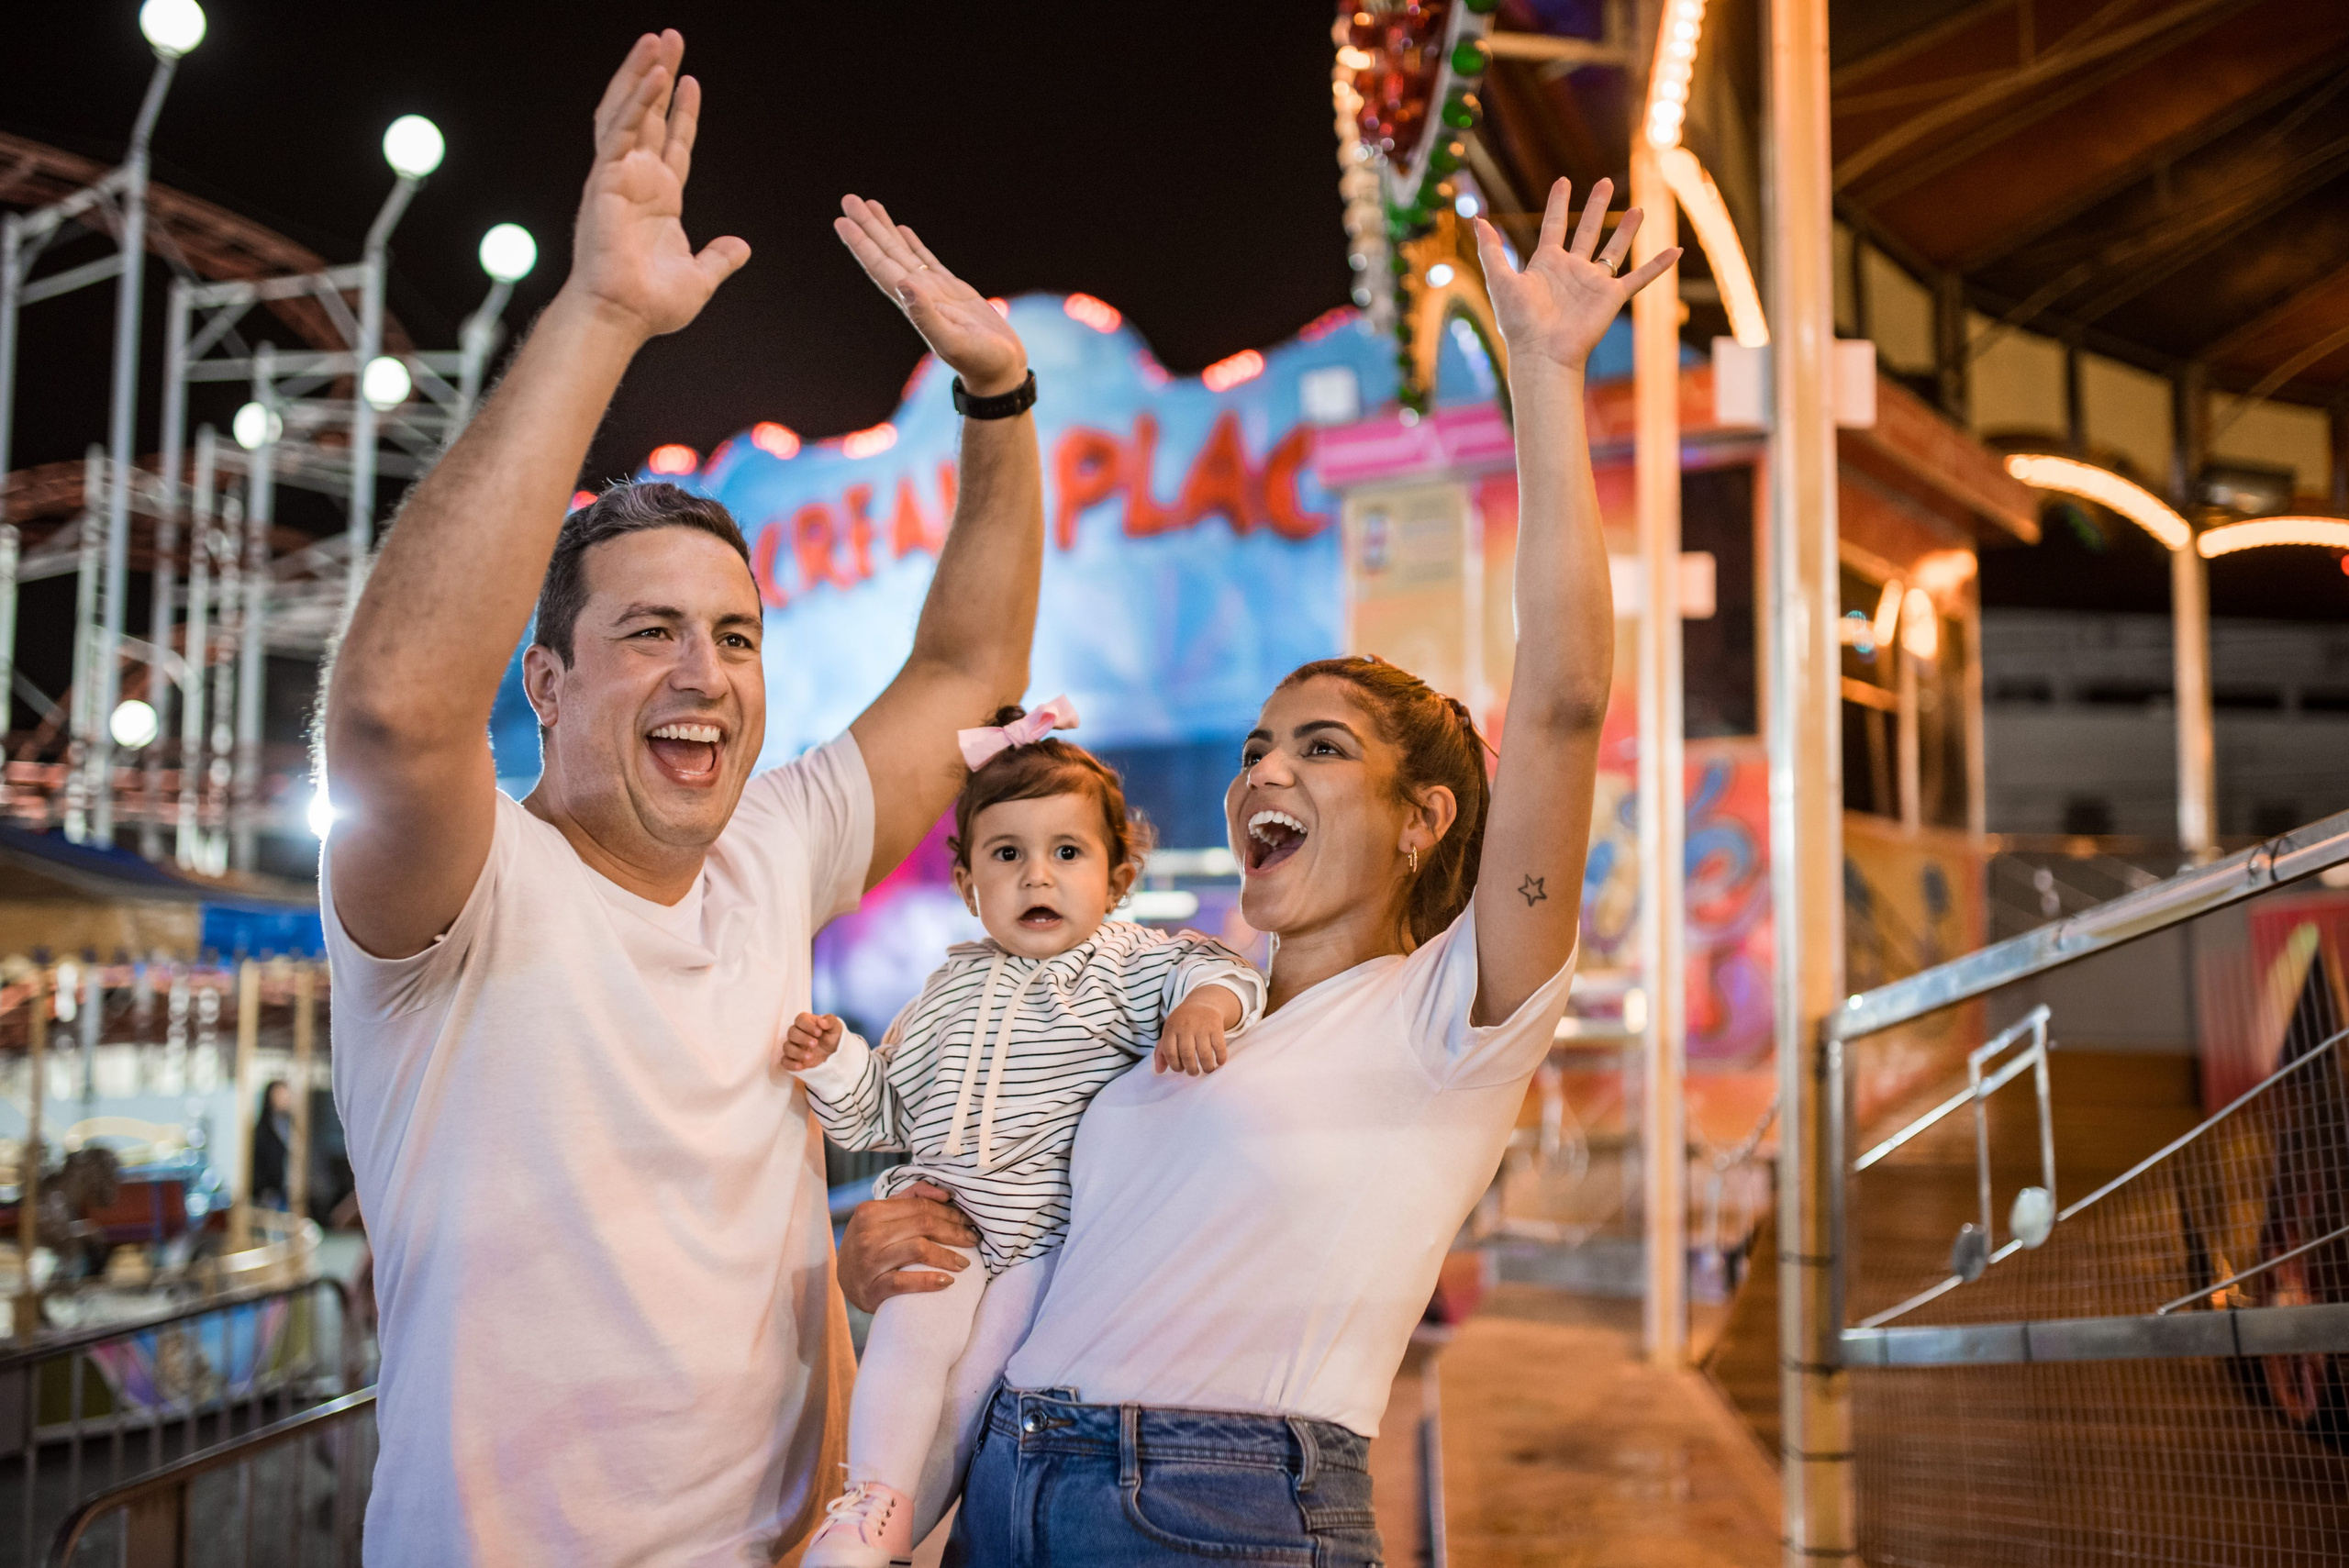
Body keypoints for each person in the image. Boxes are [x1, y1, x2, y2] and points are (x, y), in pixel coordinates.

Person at [838, 175, 1677, 1565]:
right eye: (1255, 746)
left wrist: (1543, 370)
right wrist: (891, 1251)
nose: (1262, 773)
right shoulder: (1149, 1002)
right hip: (1007, 1485)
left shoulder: (1456, 1012)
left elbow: (1567, 699)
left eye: (1323, 749)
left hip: (1211, 1508)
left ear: (1422, 819)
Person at [320, 31, 1041, 1564]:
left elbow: (969, 664)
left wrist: (1000, 397)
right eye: (648, 631)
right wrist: (599, 311)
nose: (705, 672)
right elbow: (388, 710)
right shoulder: (462, 891)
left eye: (734, 633)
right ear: (549, 684)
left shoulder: (768, 852)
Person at [784, 703, 1264, 1566]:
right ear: (970, 884)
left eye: (1066, 852)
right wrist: (835, 1064)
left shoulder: (1129, 965)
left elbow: (1222, 966)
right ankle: (869, 1507)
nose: (1037, 876)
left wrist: (1205, 1004)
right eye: (1008, 855)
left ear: (1117, 877)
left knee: (970, 1397)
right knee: (907, 1342)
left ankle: (903, 1530)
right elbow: (882, 1115)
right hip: (950, 1225)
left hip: (1048, 1245)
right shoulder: (945, 991)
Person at [249, 1080, 293, 1210]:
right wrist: (264, 1189)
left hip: (288, 1191)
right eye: (281, 1096)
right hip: (270, 1195)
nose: (286, 1100)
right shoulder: (263, 1131)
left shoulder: (292, 1127)